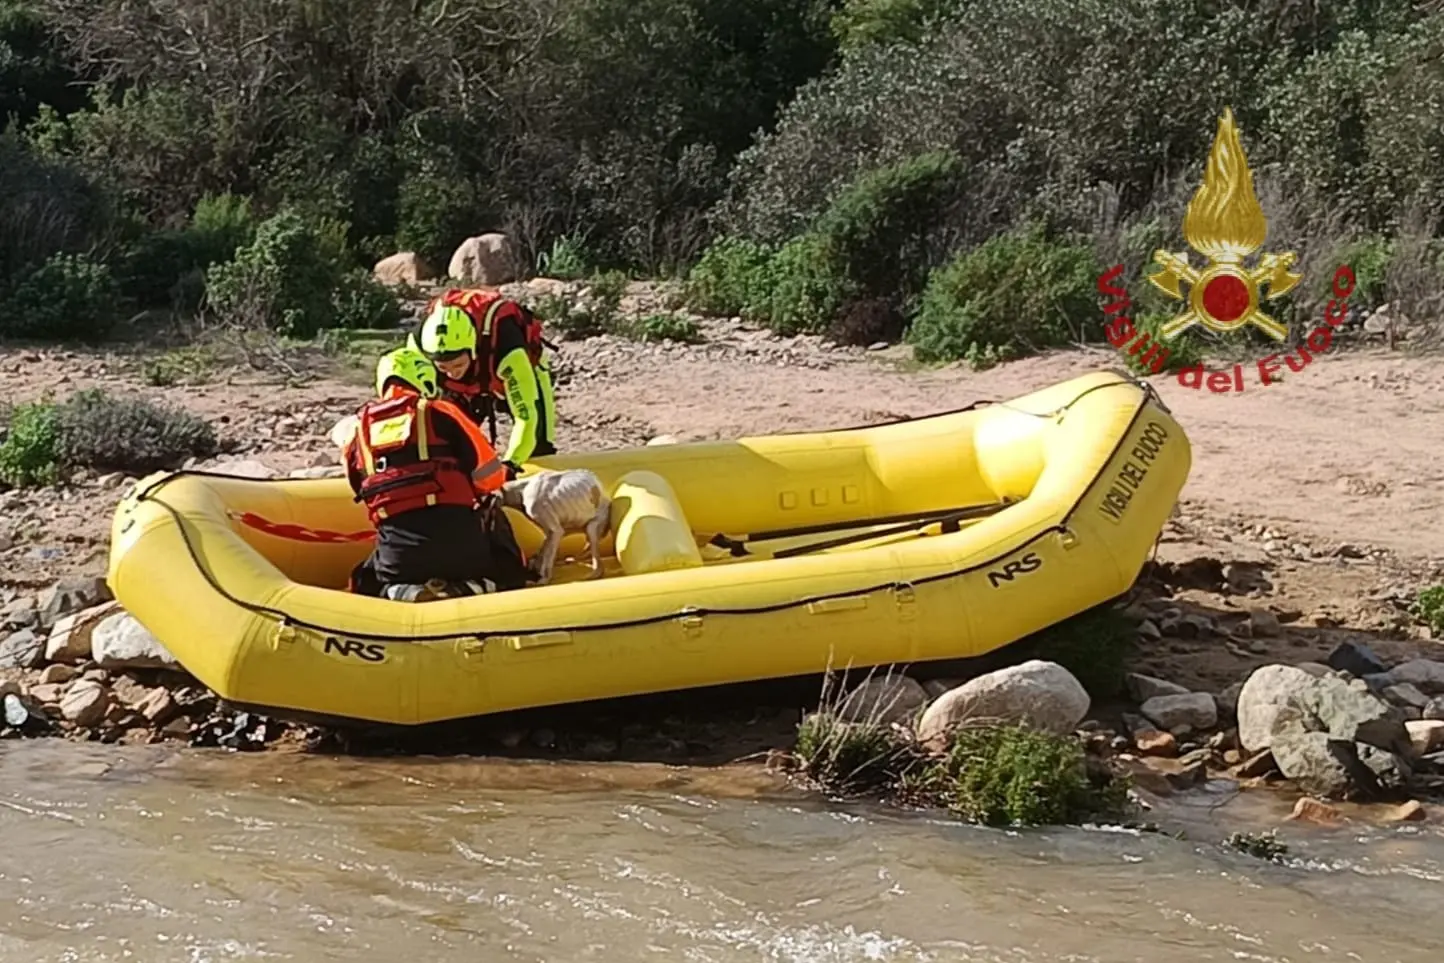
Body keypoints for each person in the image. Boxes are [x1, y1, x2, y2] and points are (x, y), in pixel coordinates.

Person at [341, 346, 530, 601]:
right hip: (462, 548)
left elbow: (359, 490)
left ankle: (400, 591)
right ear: (424, 378)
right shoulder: (440, 411)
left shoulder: (358, 434)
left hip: (398, 558)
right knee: (499, 527)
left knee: (366, 578)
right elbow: (489, 477)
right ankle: (487, 585)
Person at [410, 287, 559, 478]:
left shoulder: (508, 349)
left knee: (539, 445)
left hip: (518, 372)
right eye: (443, 368)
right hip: (465, 386)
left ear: (472, 349)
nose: (453, 373)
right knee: (447, 439)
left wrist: (510, 465)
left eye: (458, 365)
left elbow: (526, 416)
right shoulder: (418, 346)